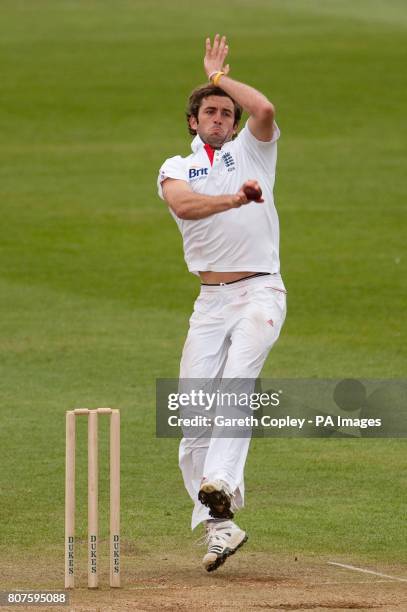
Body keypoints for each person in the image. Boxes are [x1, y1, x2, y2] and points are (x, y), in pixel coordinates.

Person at [157, 34, 287, 572]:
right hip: (209, 302)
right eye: (209, 111)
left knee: (237, 385)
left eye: (224, 112)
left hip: (260, 290)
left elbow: (265, 107)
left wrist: (217, 78)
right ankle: (221, 525)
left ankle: (222, 484)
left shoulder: (252, 148)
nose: (218, 117)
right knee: (191, 421)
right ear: (193, 121)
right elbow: (184, 208)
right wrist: (234, 199)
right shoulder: (175, 167)